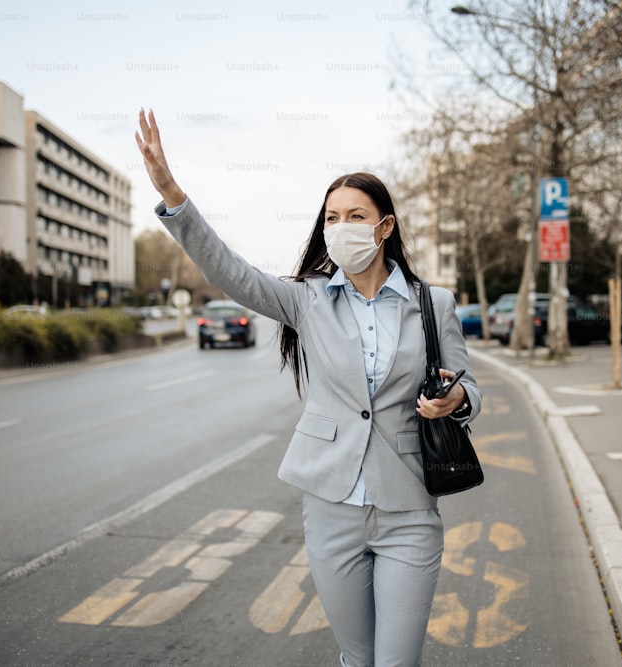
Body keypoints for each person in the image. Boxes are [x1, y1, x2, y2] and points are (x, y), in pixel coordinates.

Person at [135, 108, 481, 667]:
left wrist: (456, 399)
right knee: (355, 657)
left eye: (355, 215)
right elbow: (230, 272)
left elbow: (469, 388)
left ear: (384, 227)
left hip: (409, 507)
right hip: (330, 506)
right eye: (332, 217)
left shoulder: (432, 303)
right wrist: (174, 195)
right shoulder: (307, 299)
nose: (340, 226)